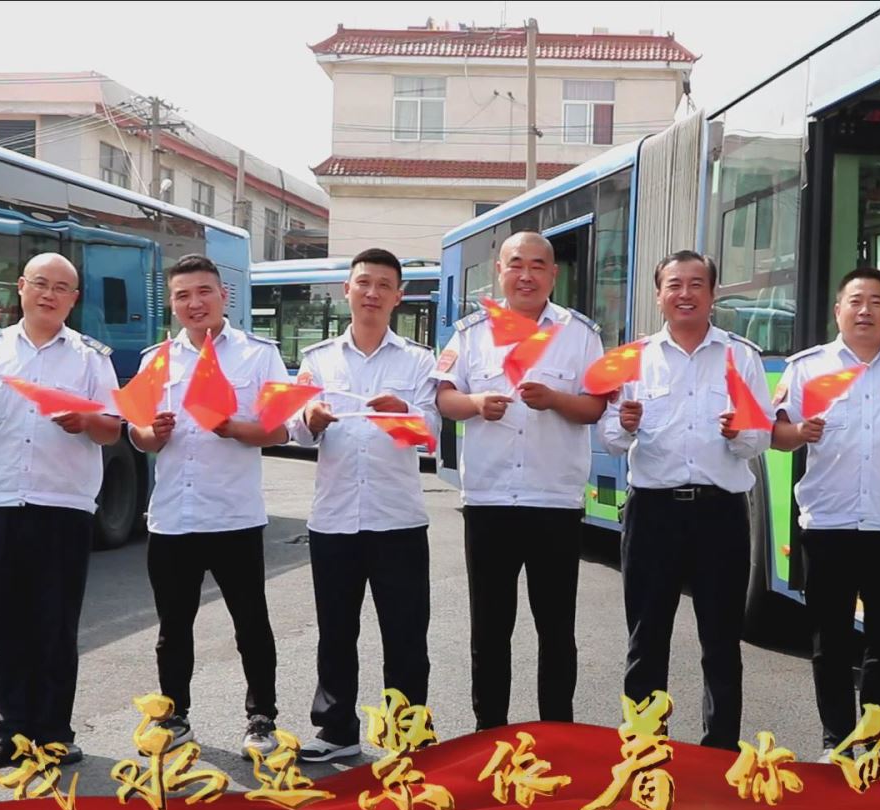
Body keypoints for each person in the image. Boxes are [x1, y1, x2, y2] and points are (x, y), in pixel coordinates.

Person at [0, 252, 121, 771]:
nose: (49, 294)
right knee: (5, 628)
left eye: (61, 288)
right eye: (41, 283)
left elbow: (113, 430)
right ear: (21, 287)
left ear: (74, 299)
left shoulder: (90, 358)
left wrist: (85, 420)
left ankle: (55, 733)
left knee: (55, 627)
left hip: (63, 506)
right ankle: (11, 733)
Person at [770, 266, 880, 762]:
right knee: (829, 642)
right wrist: (799, 433)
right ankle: (837, 741)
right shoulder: (807, 368)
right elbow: (776, 434)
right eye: (855, 301)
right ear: (838, 311)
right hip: (828, 525)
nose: (864, 310)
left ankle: (879, 743)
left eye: (875, 302)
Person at [599, 250, 774, 750]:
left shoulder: (741, 357)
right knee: (646, 637)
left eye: (697, 284)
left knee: (721, 642)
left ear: (713, 294)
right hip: (653, 512)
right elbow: (610, 439)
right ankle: (644, 745)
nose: (685, 294)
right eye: (674, 285)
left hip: (721, 513)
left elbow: (760, 439)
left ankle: (719, 752)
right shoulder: (633, 359)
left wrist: (740, 433)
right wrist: (624, 425)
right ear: (658, 295)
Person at [433, 232, 606, 732]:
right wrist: (474, 404)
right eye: (516, 265)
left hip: (554, 501)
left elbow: (595, 406)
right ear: (500, 272)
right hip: (489, 500)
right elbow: (444, 396)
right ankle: (490, 732)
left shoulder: (579, 334)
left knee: (557, 630)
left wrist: (555, 400)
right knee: (489, 629)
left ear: (553, 274)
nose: (526, 276)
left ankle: (558, 734)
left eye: (537, 266)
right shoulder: (472, 333)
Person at [127, 254, 289, 756]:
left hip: (234, 514)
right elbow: (136, 433)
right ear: (172, 303)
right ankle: (174, 715)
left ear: (224, 295)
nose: (194, 303)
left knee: (251, 623)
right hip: (173, 516)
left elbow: (280, 429)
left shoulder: (258, 355)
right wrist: (152, 433)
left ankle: (261, 718)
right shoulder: (156, 360)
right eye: (182, 295)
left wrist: (232, 427)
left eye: (203, 292)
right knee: (173, 628)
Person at [288, 248, 440, 763]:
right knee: (335, 632)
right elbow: (294, 429)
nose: (372, 293)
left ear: (398, 297)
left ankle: (406, 732)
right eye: (363, 283)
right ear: (347, 290)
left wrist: (404, 412)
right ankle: (336, 730)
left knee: (405, 634)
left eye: (383, 285)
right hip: (334, 518)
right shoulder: (318, 359)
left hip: (398, 519)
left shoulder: (418, 360)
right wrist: (309, 419)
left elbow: (431, 434)